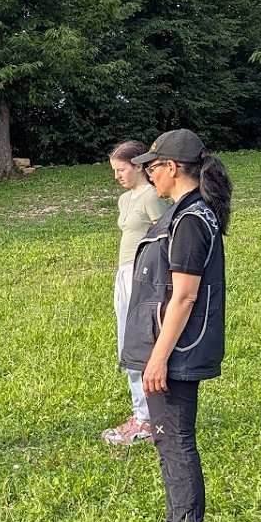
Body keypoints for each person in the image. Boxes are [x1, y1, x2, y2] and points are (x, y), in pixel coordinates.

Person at [122, 129, 231, 522]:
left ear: (171, 167)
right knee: (170, 438)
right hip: (177, 345)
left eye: (153, 166)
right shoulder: (190, 212)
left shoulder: (189, 220)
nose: (149, 174)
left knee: (174, 439)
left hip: (178, 349)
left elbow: (184, 296)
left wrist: (158, 358)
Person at [102, 140, 168, 446]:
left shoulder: (151, 196)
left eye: (122, 169)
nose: (117, 176)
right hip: (124, 276)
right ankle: (140, 414)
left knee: (140, 344)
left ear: (139, 166)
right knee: (126, 345)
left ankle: (148, 419)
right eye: (114, 171)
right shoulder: (124, 199)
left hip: (143, 276)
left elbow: (165, 238)